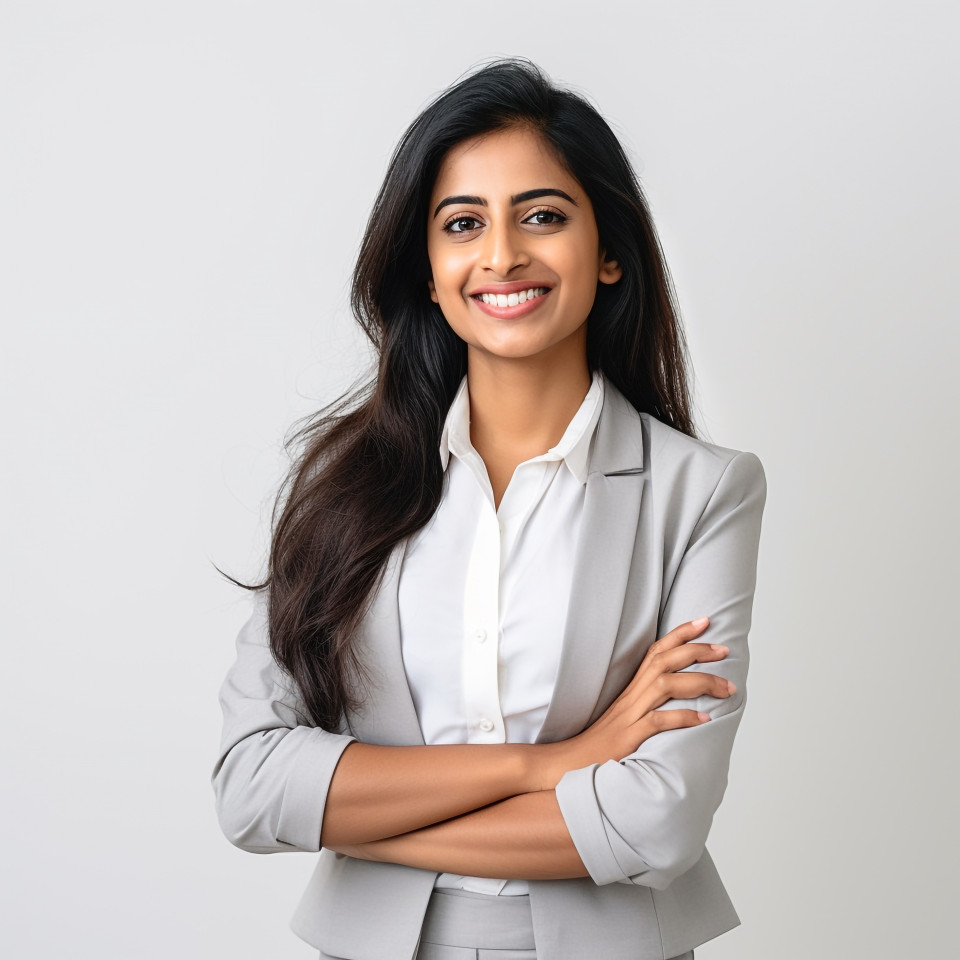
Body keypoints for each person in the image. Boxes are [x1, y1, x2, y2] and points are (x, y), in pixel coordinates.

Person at [212, 58, 766, 960]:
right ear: (429, 271)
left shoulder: (701, 491)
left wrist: (350, 818)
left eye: (542, 216)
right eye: (462, 224)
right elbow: (251, 785)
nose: (502, 254)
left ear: (611, 250)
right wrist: (546, 766)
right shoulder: (341, 489)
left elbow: (656, 820)